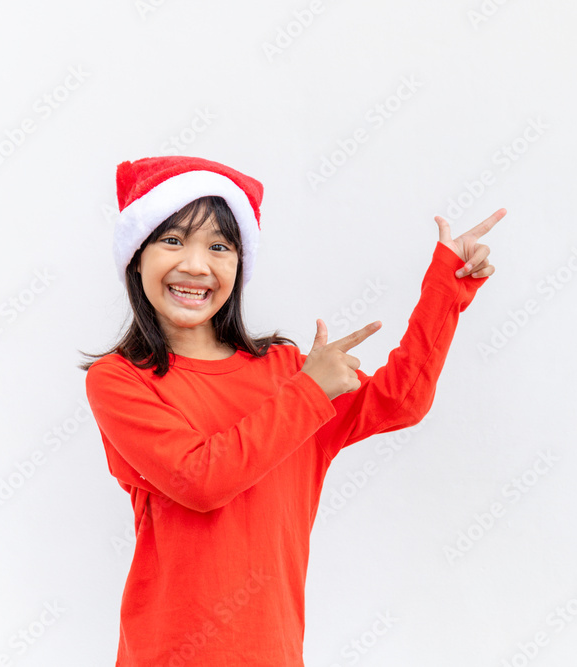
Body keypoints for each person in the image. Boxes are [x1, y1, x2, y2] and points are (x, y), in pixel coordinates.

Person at [79, 155, 504, 666]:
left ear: (239, 266)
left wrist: (445, 291)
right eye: (172, 240)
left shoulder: (287, 373)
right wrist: (309, 392)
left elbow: (400, 401)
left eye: (219, 246)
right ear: (136, 256)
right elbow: (201, 479)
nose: (195, 265)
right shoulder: (121, 380)